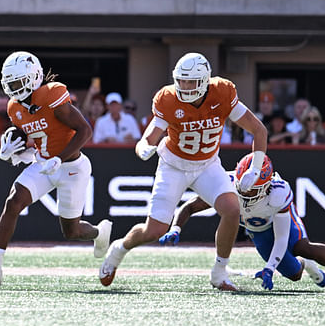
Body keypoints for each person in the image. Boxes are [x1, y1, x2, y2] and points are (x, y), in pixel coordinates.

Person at [99, 52, 268, 291]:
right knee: (154, 230)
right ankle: (119, 249)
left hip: (207, 164)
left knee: (232, 210)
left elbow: (258, 130)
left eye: (191, 82)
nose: (185, 86)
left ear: (205, 81)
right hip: (174, 166)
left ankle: (219, 273)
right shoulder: (167, 98)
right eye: (182, 80)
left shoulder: (222, 92)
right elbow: (150, 136)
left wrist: (256, 167)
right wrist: (144, 147)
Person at [0, 51, 112, 285]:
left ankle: (100, 233)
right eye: (9, 84)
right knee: (13, 202)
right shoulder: (14, 108)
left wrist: (59, 159)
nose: (13, 89)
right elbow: (34, 139)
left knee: (72, 232)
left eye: (18, 82)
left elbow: (85, 131)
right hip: (42, 164)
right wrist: (11, 151)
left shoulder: (52, 95)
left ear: (34, 77)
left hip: (72, 168)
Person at [159, 153, 325, 290]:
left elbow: (281, 238)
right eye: (242, 187)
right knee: (294, 275)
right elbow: (190, 207)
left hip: (279, 223)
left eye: (252, 190)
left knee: (302, 247)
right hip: (257, 230)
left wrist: (270, 268)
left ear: (267, 185)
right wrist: (176, 228)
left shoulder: (278, 193)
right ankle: (305, 264)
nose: (246, 193)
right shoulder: (227, 184)